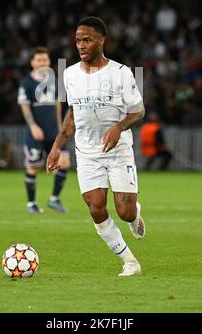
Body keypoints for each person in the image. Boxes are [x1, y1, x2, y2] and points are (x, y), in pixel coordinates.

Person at [47, 17, 146, 277]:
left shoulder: (121, 73)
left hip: (118, 150)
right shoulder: (69, 74)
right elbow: (73, 113)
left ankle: (134, 214)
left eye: (87, 39)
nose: (81, 45)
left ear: (102, 40)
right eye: (78, 40)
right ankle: (130, 261)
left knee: (124, 212)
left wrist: (118, 127)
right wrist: (57, 146)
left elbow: (138, 111)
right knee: (96, 207)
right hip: (87, 153)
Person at [18, 46, 70, 213]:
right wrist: (33, 126)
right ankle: (31, 203)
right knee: (33, 167)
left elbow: (58, 105)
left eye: (45, 59)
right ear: (32, 62)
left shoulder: (54, 81)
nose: (42, 62)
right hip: (35, 132)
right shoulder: (26, 83)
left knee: (64, 162)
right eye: (39, 59)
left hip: (54, 131)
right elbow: (25, 106)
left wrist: (61, 127)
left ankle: (54, 199)